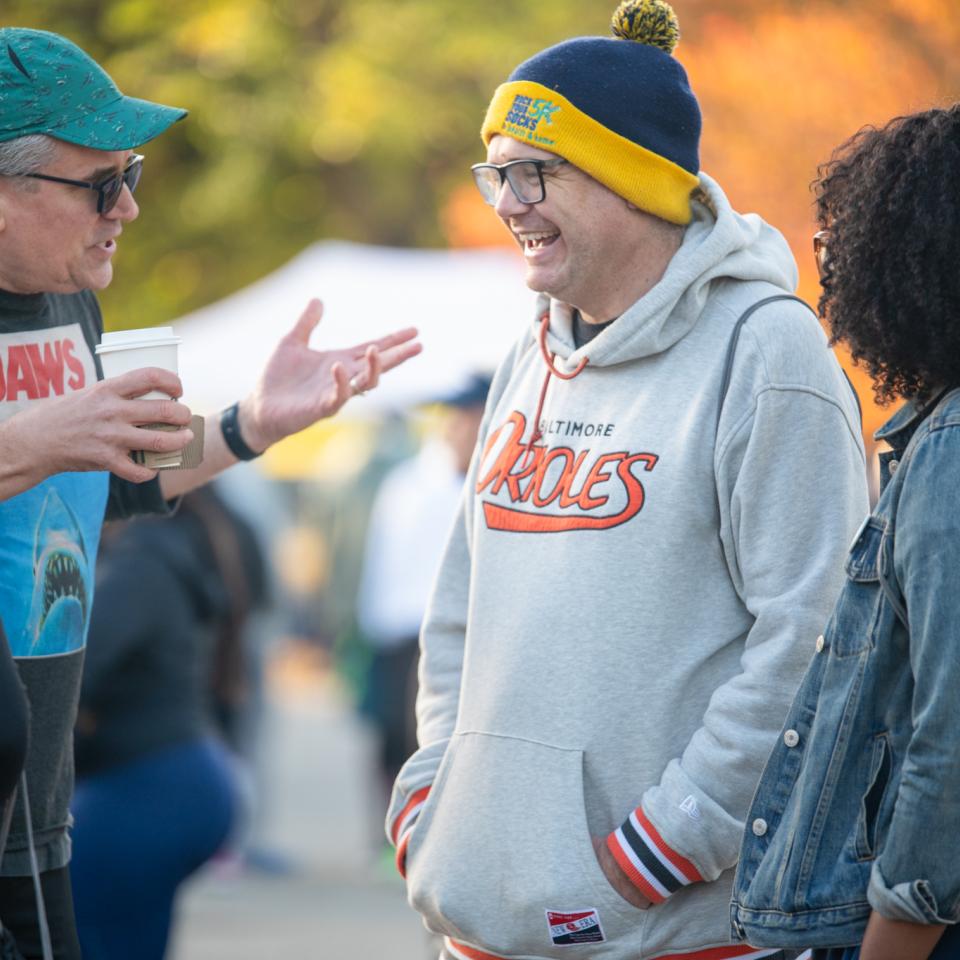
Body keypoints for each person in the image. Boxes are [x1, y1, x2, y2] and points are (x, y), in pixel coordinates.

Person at [386, 2, 868, 959]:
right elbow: (458, 611)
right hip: (482, 925)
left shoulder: (766, 349)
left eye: (535, 174)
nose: (507, 203)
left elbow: (814, 640)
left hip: (669, 933)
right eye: (498, 176)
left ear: (633, 180)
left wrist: (663, 845)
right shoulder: (530, 352)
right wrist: (431, 800)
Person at [0, 26, 420, 960]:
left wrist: (251, 423)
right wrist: (36, 437)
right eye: (99, 185)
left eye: (132, 174)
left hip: (42, 806)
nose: (128, 210)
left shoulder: (71, 296)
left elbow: (112, 476)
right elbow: (50, 445)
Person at [731, 105, 960, 960]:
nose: (829, 272)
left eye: (839, 246)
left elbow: (950, 745)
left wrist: (893, 938)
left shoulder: (950, 447)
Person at [70, 484, 267, 960]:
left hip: (152, 785)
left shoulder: (141, 563)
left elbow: (77, 668)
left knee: (90, 935)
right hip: (180, 780)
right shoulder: (168, 550)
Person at [356, 374, 490, 854]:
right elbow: (382, 558)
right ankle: (400, 835)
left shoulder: (493, 478)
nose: (458, 428)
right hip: (403, 629)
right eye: (454, 419)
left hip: (474, 634)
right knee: (397, 737)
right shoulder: (409, 483)